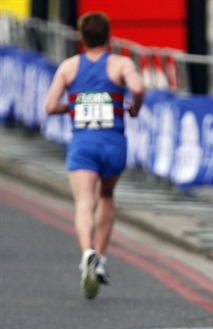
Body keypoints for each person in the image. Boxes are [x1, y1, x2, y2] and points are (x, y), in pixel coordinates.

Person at [44, 11, 145, 299]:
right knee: (106, 197)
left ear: (81, 37)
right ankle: (100, 258)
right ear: (109, 36)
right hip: (114, 143)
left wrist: (71, 106)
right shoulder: (120, 63)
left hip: (83, 145)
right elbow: (137, 87)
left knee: (84, 202)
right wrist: (135, 106)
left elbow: (50, 106)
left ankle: (87, 251)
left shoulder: (69, 67)